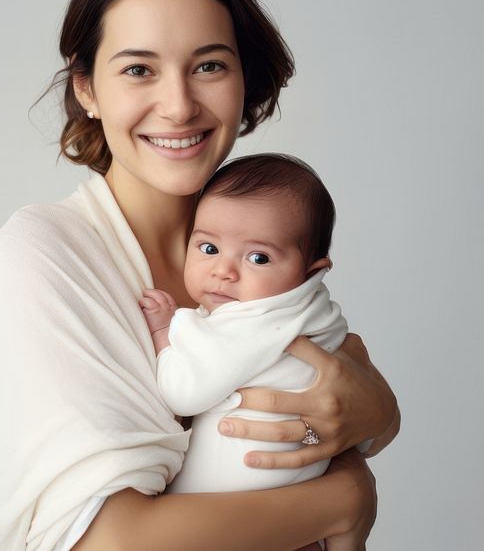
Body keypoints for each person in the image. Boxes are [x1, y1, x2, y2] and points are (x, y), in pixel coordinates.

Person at [0, 0, 400, 551]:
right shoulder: (44, 255)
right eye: (138, 69)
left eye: (209, 65)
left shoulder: (266, 244)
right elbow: (110, 544)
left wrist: (381, 414)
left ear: (243, 77)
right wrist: (343, 500)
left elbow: (348, 390)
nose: (177, 106)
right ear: (88, 88)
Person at [141, 154, 369, 496]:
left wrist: (164, 333)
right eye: (209, 247)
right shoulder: (316, 314)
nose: (224, 271)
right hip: (287, 500)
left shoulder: (256, 324)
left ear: (311, 272)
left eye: (258, 258)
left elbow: (182, 394)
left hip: (233, 504)